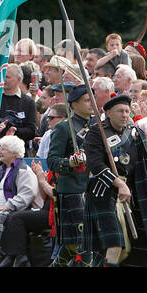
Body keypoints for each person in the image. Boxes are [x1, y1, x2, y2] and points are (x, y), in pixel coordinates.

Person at [81, 94, 147, 266]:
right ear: (108, 113)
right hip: (102, 194)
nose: (124, 115)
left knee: (126, 249)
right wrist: (119, 183)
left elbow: (140, 168)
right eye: (120, 111)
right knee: (114, 244)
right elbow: (95, 164)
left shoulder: (134, 134)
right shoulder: (96, 132)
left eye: (127, 111)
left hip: (127, 196)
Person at [45, 84, 94, 266]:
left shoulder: (98, 127)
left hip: (93, 188)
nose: (91, 104)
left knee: (81, 241)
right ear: (73, 104)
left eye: (92, 100)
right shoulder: (64, 128)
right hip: (72, 190)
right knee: (81, 241)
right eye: (87, 100)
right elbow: (52, 161)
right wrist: (70, 163)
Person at [0, 135, 39, 266]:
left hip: (14, 209)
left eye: (3, 149)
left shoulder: (24, 171)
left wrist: (8, 205)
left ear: (14, 153)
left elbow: (28, 194)